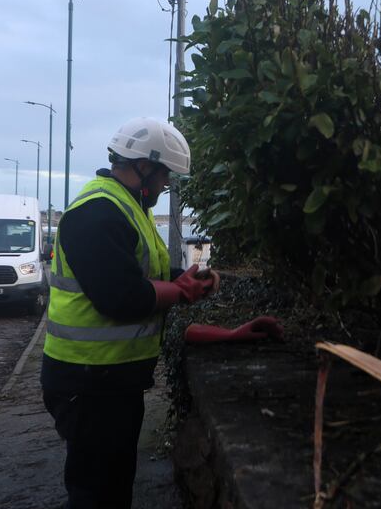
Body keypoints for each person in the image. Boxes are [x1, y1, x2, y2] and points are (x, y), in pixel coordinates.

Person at [41, 117, 282, 508]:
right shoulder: (97, 213)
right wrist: (180, 290)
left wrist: (184, 281)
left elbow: (142, 276)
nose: (167, 183)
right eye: (165, 174)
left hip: (109, 380)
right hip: (86, 384)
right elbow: (119, 296)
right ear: (144, 167)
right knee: (95, 494)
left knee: (112, 487)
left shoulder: (126, 208)